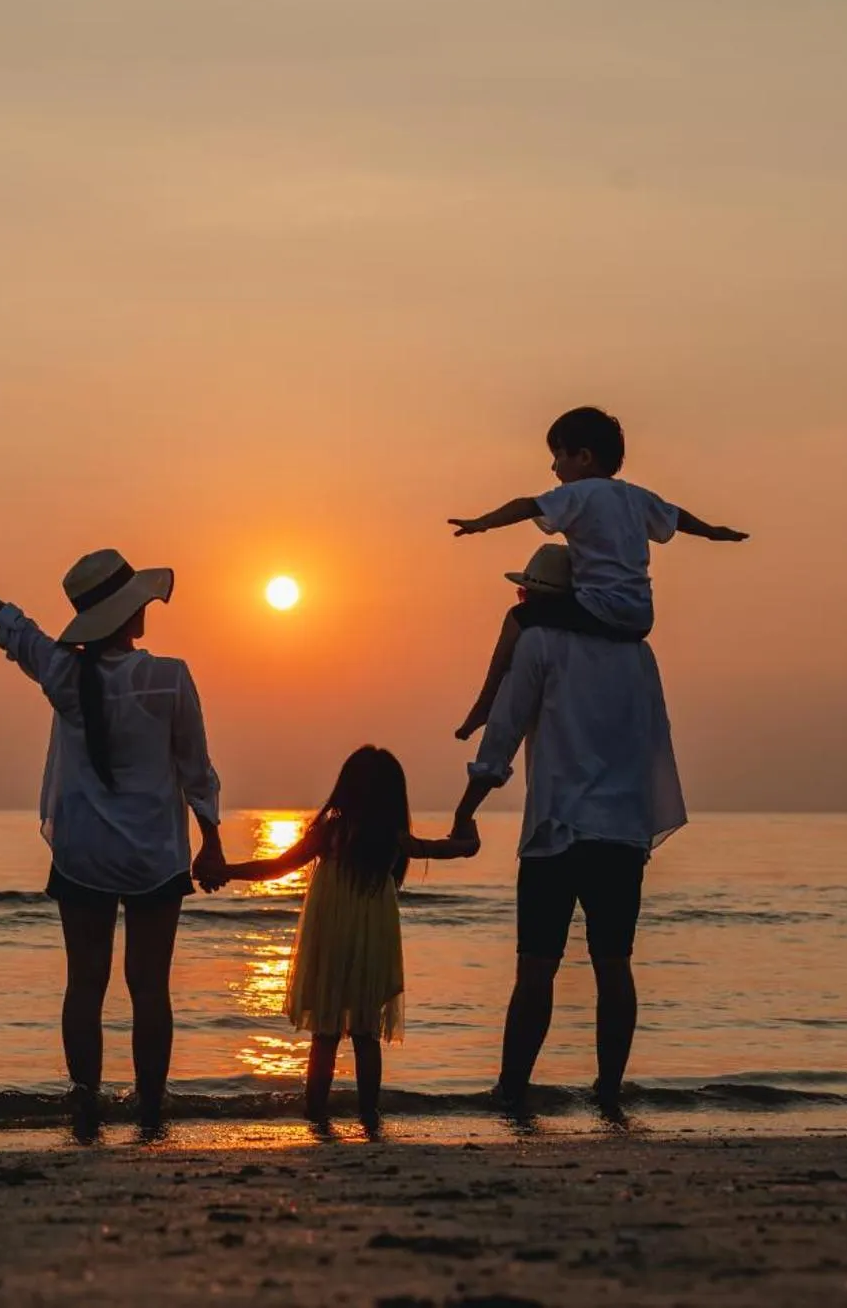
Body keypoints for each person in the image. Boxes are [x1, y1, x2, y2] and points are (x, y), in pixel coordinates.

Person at [0, 535, 224, 1134]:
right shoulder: (168, 677)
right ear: (132, 613)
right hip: (154, 856)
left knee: (84, 985)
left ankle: (85, 1104)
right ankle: (150, 1110)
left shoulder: (62, 670)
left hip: (84, 851)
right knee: (150, 989)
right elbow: (195, 767)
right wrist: (212, 840)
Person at [450, 542, 687, 1113]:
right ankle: (609, 1094)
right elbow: (653, 737)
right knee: (614, 965)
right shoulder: (638, 655)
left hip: (556, 830)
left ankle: (513, 1090)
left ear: (536, 597)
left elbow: (501, 735)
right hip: (621, 832)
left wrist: (464, 812)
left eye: (523, 593)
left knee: (535, 968)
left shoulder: (538, 644)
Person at [199, 747, 479, 1129]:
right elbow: (445, 849)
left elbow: (277, 867)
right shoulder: (392, 839)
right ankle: (369, 1116)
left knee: (325, 1034)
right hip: (373, 940)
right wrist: (469, 840)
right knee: (365, 1034)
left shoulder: (330, 833)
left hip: (329, 938)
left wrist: (226, 870)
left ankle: (316, 1114)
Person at [449, 406, 747, 740]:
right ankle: (486, 705)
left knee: (518, 616)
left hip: (600, 610)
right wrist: (713, 531)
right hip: (640, 617)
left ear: (584, 457)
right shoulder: (635, 496)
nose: (553, 467)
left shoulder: (578, 493)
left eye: (559, 456)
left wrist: (482, 523)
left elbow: (527, 505)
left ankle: (485, 703)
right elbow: (677, 516)